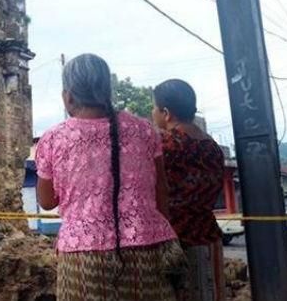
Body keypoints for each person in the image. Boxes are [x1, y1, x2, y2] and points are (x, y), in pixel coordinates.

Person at [36, 54, 183, 301]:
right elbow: (161, 191)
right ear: (107, 90)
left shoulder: (53, 139)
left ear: (68, 97)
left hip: (84, 257)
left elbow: (47, 201)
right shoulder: (144, 129)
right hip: (148, 248)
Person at [153, 79, 225, 301]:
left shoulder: (165, 146)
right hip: (208, 237)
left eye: (154, 108)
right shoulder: (212, 147)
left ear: (166, 113)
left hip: (174, 242)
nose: (152, 114)